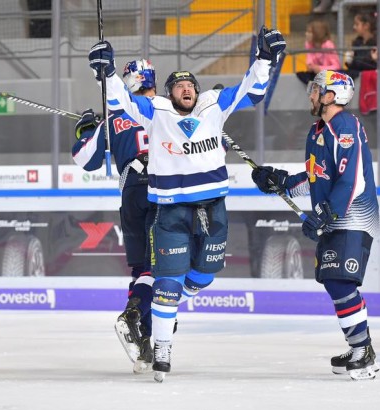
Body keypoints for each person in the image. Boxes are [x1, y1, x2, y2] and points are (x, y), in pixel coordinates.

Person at [87, 25, 286, 382]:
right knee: (165, 281)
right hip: (171, 211)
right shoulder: (156, 111)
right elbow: (121, 101)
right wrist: (106, 73)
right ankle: (161, 349)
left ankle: (166, 310)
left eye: (190, 84)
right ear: (169, 92)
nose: (186, 89)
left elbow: (250, 90)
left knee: (202, 277)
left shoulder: (213, 104)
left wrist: (265, 59)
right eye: (179, 86)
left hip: (213, 209)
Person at [251, 70, 380, 381]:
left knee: (340, 282)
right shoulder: (318, 131)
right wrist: (279, 181)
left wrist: (326, 213)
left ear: (331, 96)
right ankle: (358, 345)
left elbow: (352, 179)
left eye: (316, 89)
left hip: (352, 217)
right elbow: (315, 177)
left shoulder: (345, 126)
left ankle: (364, 350)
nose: (310, 94)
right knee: (333, 280)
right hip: (336, 218)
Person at [72, 59, 158, 374]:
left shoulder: (115, 118)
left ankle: (145, 335)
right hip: (164, 192)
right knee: (163, 268)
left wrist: (85, 127)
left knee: (142, 269)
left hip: (132, 192)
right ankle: (139, 317)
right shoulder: (167, 109)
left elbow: (84, 158)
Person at [343, 10, 380, 79]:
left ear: (366, 26)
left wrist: (376, 60)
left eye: (357, 24)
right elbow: (357, 66)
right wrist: (349, 62)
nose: (354, 27)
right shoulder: (357, 42)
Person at [296, 19, 340, 85]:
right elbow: (309, 59)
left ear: (317, 33)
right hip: (316, 75)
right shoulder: (308, 44)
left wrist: (321, 69)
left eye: (309, 32)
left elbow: (337, 66)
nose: (306, 34)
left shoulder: (328, 45)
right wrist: (310, 66)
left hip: (329, 77)